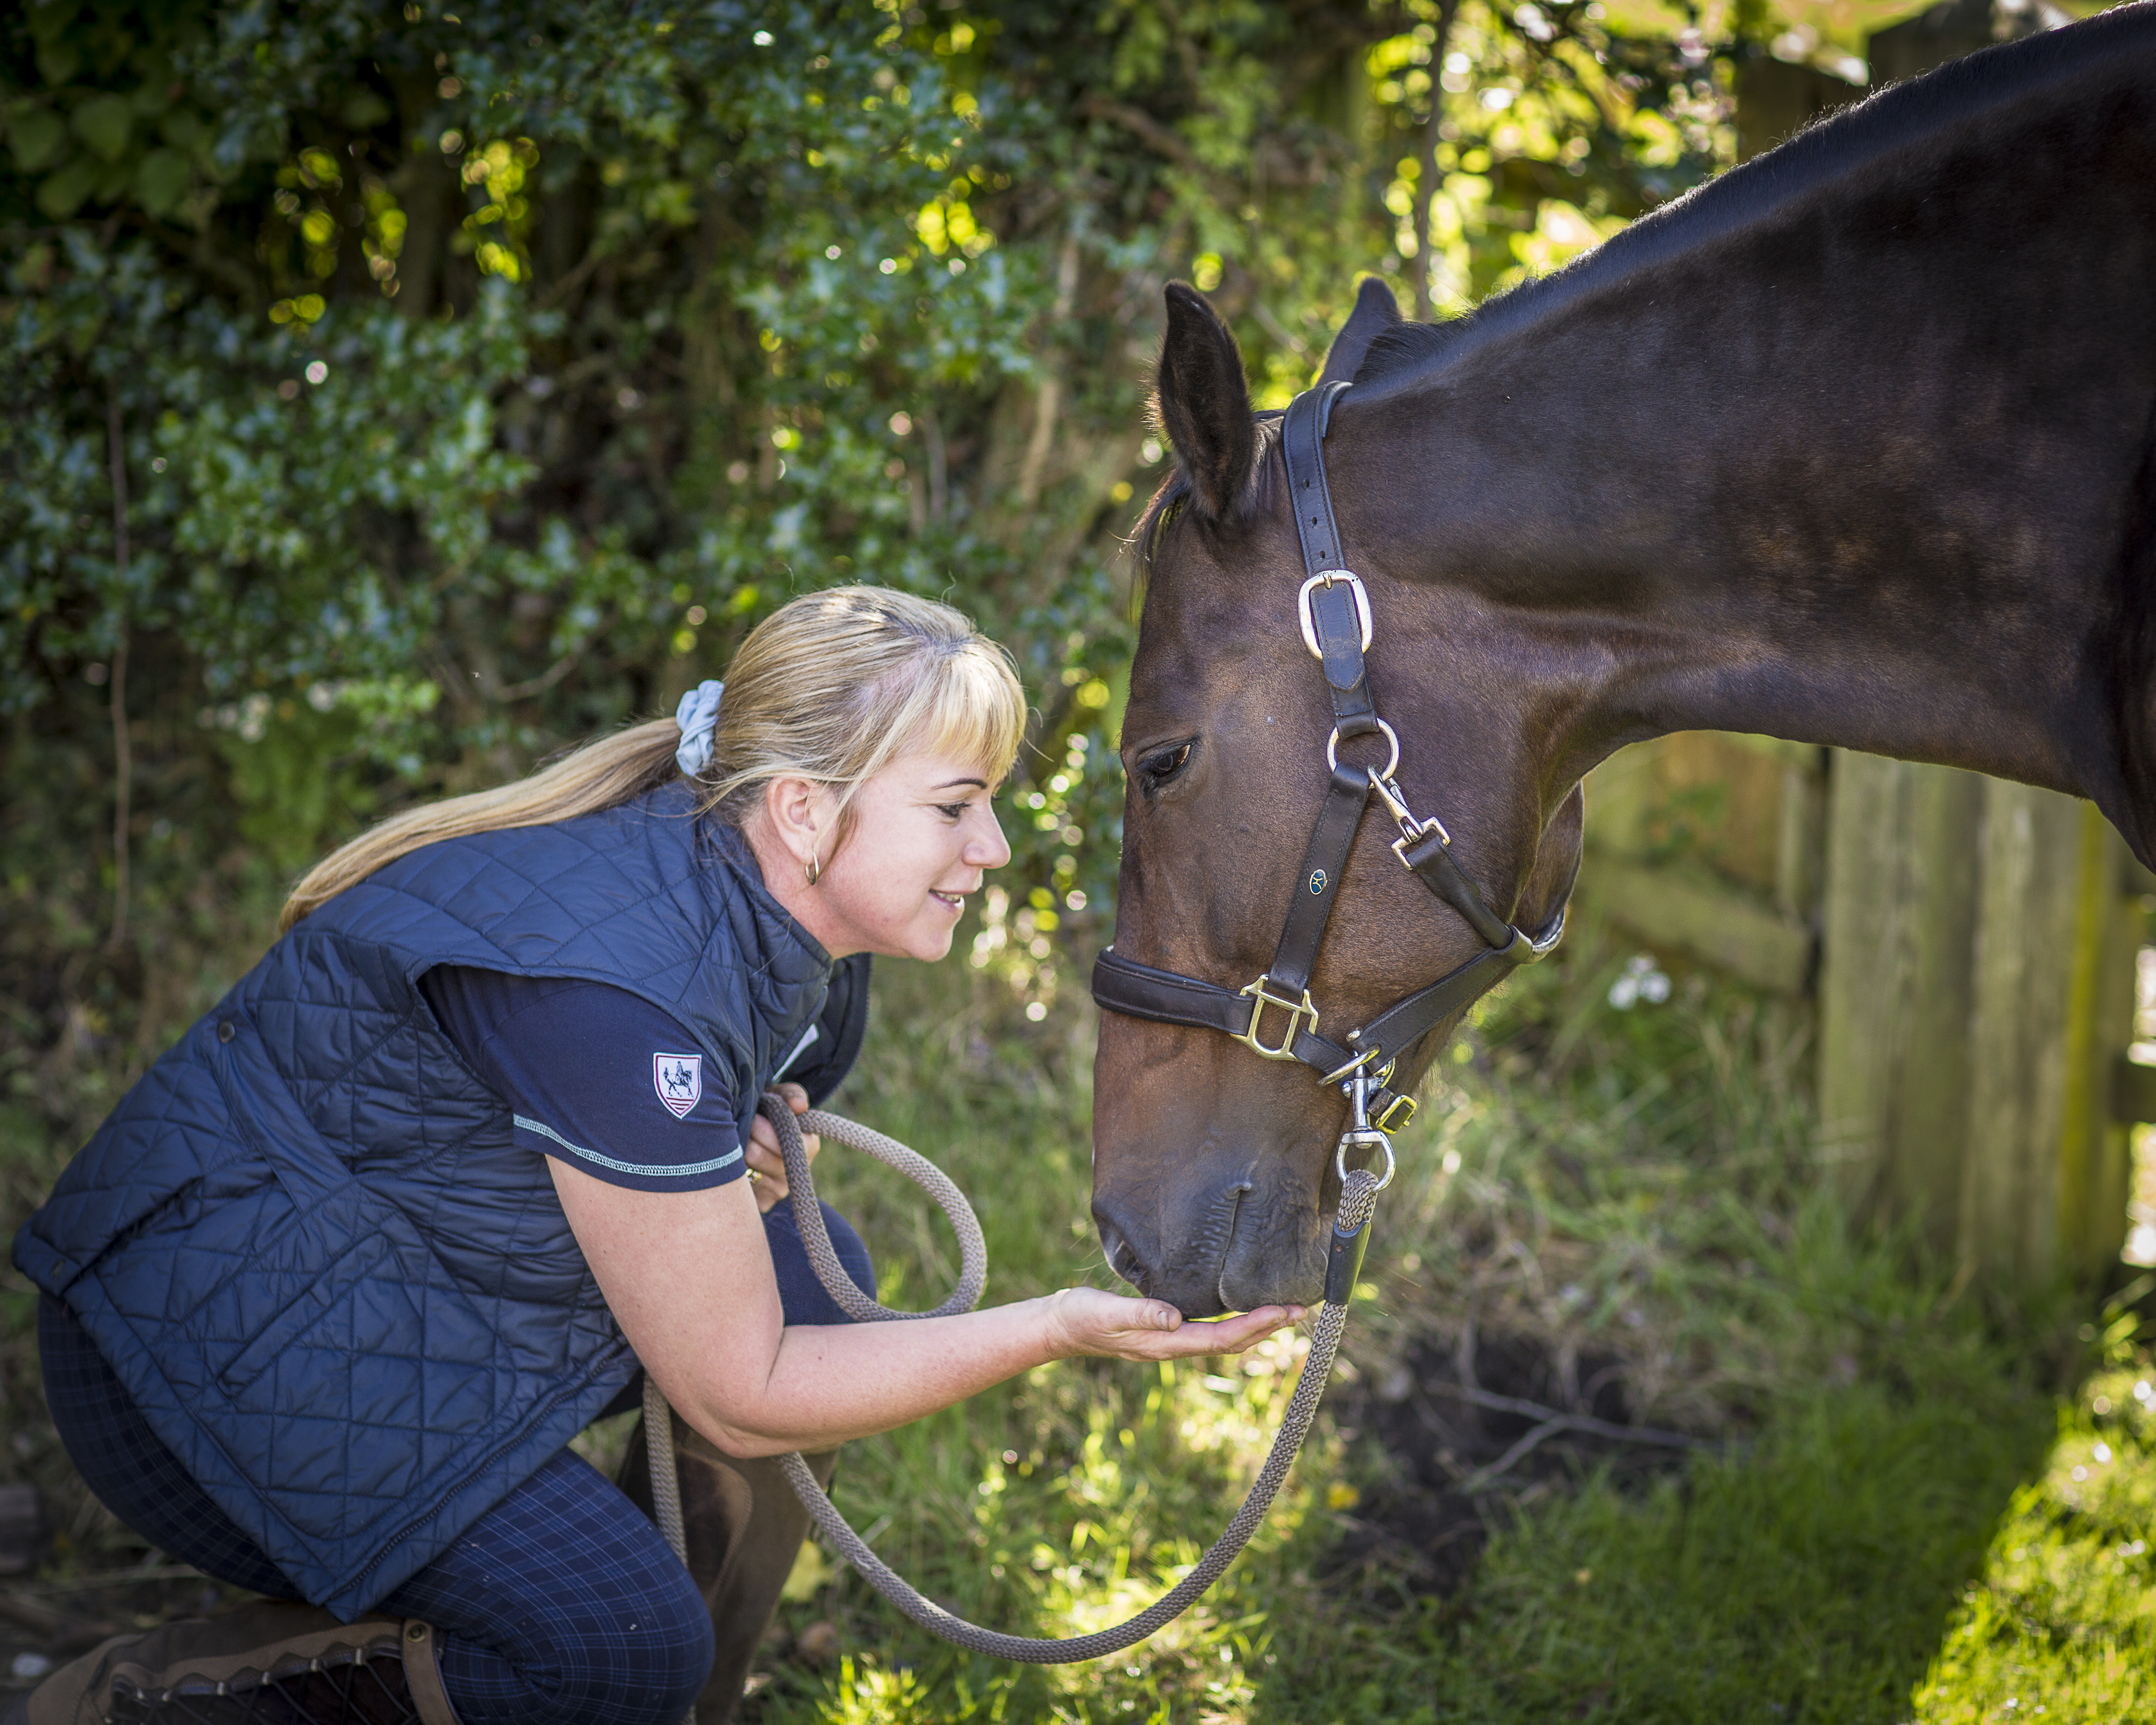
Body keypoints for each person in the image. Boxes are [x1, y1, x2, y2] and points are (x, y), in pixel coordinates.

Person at [6, 588, 1301, 1725]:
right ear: (804, 810)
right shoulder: (634, 989)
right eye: (958, 808)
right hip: (183, 1354)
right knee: (612, 1640)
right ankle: (127, 1702)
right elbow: (743, 1390)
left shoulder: (781, 927)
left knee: (817, 1265)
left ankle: (660, 1712)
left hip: (371, 1283)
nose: (996, 850)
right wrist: (1055, 1326)